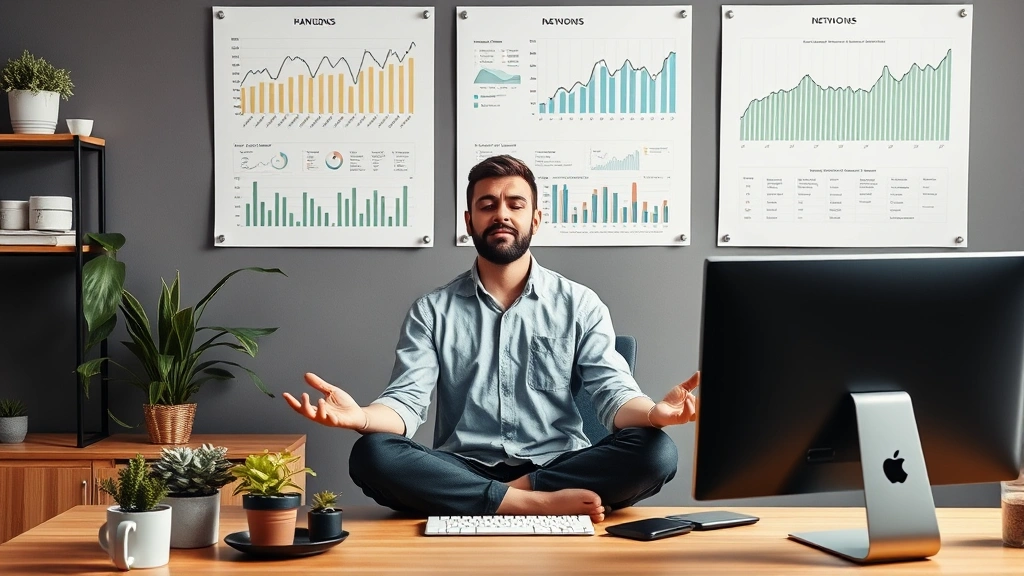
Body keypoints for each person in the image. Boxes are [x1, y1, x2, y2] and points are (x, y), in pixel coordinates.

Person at [284, 155, 700, 523]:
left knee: (656, 452)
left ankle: (516, 492)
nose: (501, 214)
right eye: (487, 205)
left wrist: (655, 414)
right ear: (469, 221)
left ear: (535, 219)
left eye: (515, 204)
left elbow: (613, 393)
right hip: (462, 468)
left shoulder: (580, 303)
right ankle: (527, 503)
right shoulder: (432, 310)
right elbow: (406, 403)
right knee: (372, 454)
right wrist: (361, 418)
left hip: (559, 465)